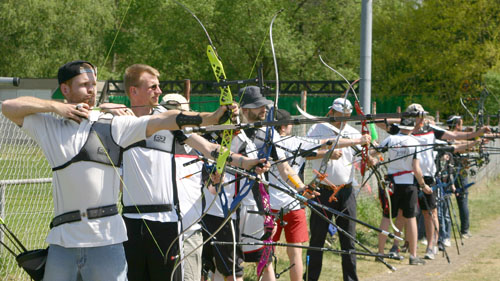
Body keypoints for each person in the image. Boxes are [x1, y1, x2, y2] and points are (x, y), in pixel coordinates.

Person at [0, 60, 244, 281]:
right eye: (84, 85)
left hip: (106, 241)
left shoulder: (114, 124)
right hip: (62, 243)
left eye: (94, 84)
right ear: (65, 90)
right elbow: (9, 106)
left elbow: (164, 119)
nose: (91, 90)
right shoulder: (50, 126)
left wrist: (210, 118)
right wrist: (57, 108)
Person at [119, 64, 269, 281]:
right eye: (152, 87)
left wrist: (247, 162)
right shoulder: (119, 121)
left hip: (166, 222)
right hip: (131, 222)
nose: (158, 91)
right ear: (134, 91)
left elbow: (210, 149)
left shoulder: (168, 122)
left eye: (159, 87)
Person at [232, 86, 314, 281]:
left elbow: (285, 168)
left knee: (265, 259)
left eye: (264, 105)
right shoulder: (229, 130)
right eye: (257, 106)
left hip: (257, 202)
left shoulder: (270, 134)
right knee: (231, 262)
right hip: (229, 203)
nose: (264, 109)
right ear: (244, 109)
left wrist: (301, 187)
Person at [404, 104, 489, 260]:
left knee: (430, 212)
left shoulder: (431, 130)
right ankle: (405, 244)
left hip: (428, 176)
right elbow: (383, 123)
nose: (417, 118)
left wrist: (477, 135)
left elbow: (455, 138)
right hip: (408, 176)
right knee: (407, 213)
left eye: (418, 115)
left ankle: (431, 245)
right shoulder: (403, 130)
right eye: (413, 115)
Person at [305, 98, 373, 281]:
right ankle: (310, 278)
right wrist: (328, 152)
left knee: (348, 240)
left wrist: (370, 158)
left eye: (346, 116)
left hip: (346, 191)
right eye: (339, 115)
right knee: (317, 240)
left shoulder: (352, 132)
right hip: (323, 190)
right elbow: (307, 154)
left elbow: (361, 158)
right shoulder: (317, 129)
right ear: (331, 112)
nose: (342, 120)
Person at [271, 108, 342, 281]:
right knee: (295, 252)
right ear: (286, 126)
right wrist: (359, 140)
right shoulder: (295, 141)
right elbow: (327, 142)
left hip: (271, 205)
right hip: (295, 203)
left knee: (268, 250)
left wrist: (328, 155)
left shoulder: (265, 143)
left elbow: (308, 153)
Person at [377, 117, 429, 265]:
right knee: (410, 218)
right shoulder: (415, 142)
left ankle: (380, 253)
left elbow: (374, 153)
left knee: (386, 217)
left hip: (392, 183)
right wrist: (423, 185)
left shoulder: (390, 139)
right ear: (412, 128)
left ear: (399, 127)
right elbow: (416, 168)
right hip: (408, 185)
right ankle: (413, 256)